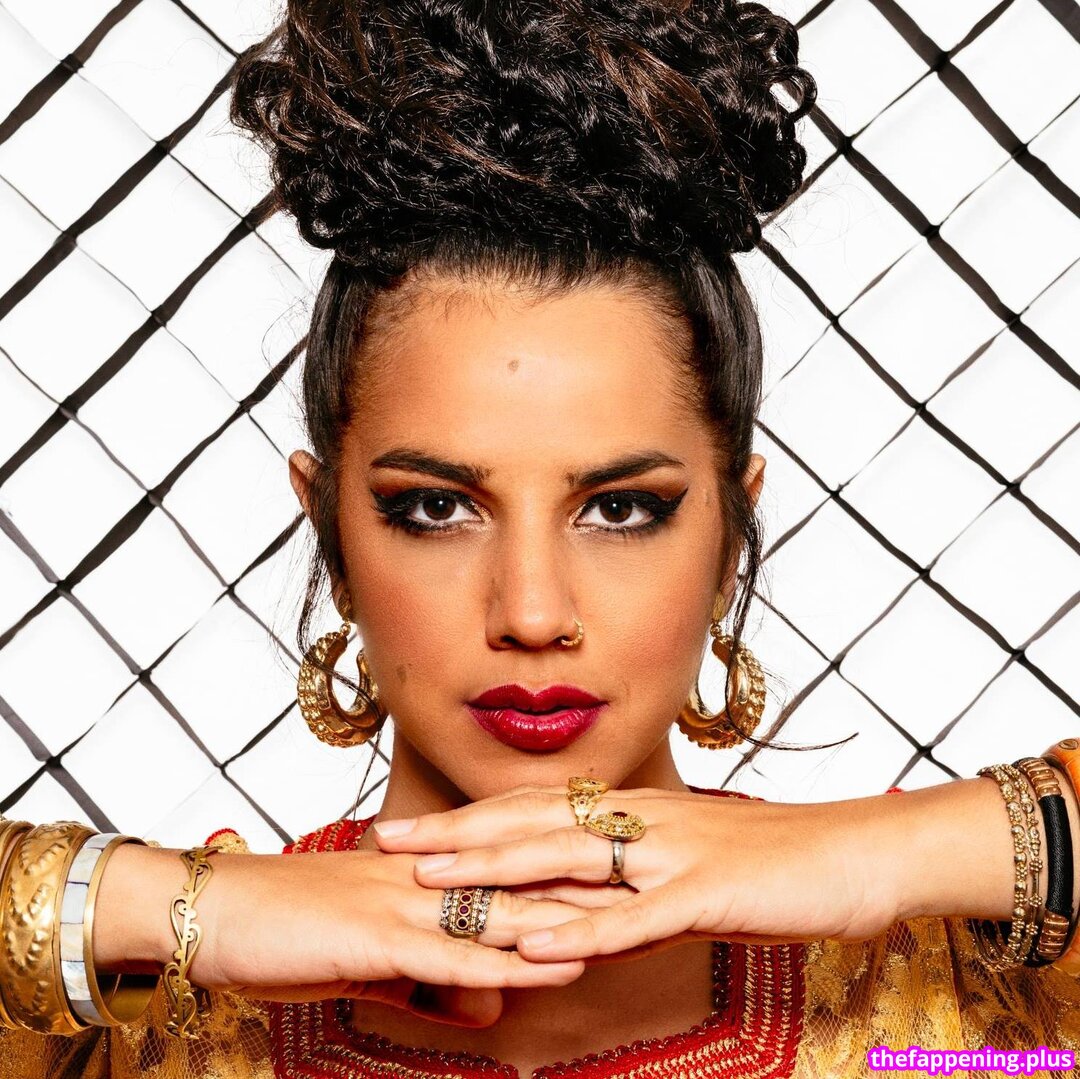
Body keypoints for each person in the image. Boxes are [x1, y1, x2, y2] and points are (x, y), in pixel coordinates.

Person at [1, 1, 1079, 1076]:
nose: (530, 612)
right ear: (330, 535)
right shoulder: (142, 1016)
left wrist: (875, 851)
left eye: (621, 508)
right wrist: (188, 909)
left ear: (731, 538)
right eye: (435, 508)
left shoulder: (969, 1011)